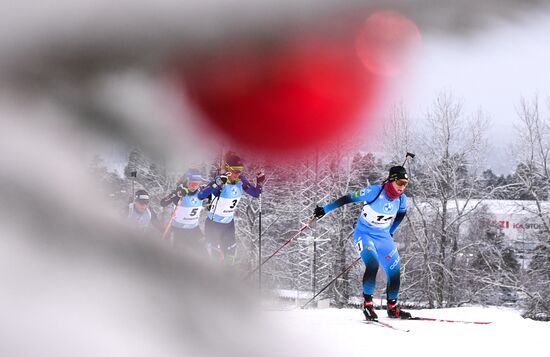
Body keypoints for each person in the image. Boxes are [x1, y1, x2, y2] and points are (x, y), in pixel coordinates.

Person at [313, 165, 411, 320]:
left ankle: (392, 308)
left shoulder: (402, 199)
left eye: (405, 184)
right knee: (373, 264)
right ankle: (368, 305)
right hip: (364, 234)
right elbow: (347, 199)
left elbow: (401, 214)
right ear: (391, 180)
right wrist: (325, 210)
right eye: (400, 183)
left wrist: (391, 231)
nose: (402, 187)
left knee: (394, 268)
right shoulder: (374, 191)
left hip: (383, 236)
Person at [198, 152, 265, 265]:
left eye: (240, 170)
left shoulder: (240, 180)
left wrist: (260, 184)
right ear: (228, 169)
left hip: (229, 225)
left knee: (230, 256)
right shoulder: (220, 180)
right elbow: (201, 195)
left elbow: (255, 193)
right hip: (214, 225)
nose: (238, 174)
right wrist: (217, 183)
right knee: (214, 259)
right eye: (235, 170)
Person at [160, 169, 207, 254]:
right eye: (192, 184)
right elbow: (163, 203)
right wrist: (176, 195)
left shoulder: (201, 193)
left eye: (197, 184)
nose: (194, 187)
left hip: (194, 229)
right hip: (178, 230)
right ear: (186, 182)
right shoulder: (179, 192)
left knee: (204, 252)